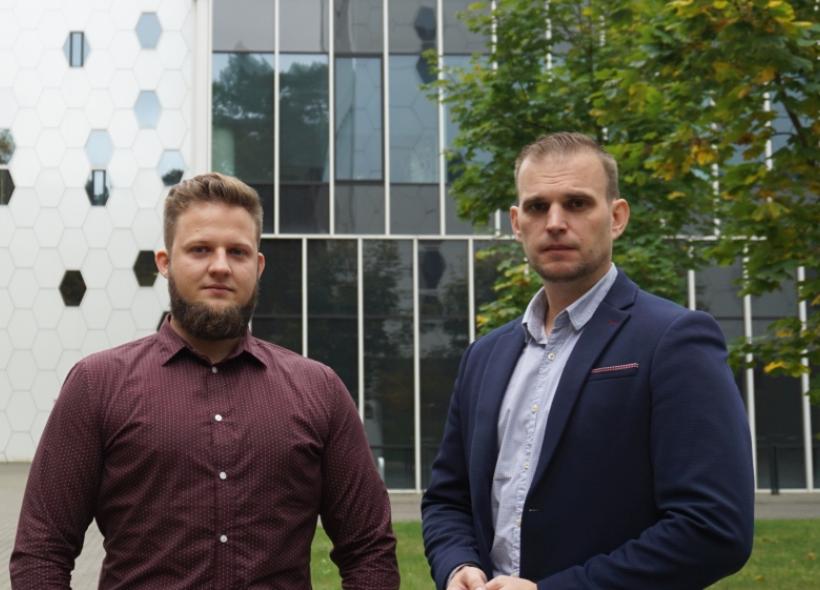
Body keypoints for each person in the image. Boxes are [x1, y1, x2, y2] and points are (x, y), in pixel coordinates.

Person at [11, 173, 399, 589]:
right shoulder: (97, 385)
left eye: (237, 252)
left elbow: (369, 551)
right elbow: (41, 551)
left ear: (258, 266)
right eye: (200, 250)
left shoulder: (319, 390)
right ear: (165, 262)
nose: (220, 266)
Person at [421, 132, 754, 590]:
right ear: (517, 223)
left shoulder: (674, 340)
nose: (555, 222)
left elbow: (713, 528)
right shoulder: (485, 356)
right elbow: (447, 500)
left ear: (616, 217)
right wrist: (458, 565)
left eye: (577, 204)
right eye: (537, 207)